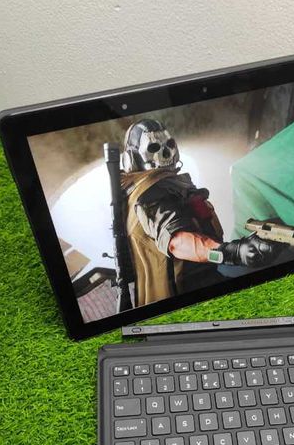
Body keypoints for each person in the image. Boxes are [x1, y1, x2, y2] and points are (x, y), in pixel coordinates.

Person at [119, 119, 284, 307]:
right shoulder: (149, 194)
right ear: (133, 158)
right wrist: (233, 253)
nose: (165, 152)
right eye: (154, 147)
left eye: (169, 144)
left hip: (204, 278)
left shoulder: (166, 185)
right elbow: (177, 243)